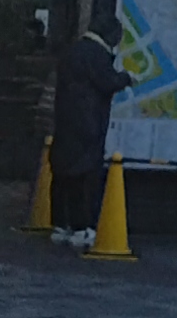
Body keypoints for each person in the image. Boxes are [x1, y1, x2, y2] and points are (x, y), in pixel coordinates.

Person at [47, 13, 132, 250]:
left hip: (66, 122)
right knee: (83, 176)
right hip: (88, 125)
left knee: (63, 174)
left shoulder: (73, 51)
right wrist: (126, 78)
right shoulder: (96, 54)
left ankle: (60, 224)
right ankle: (82, 227)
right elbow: (107, 82)